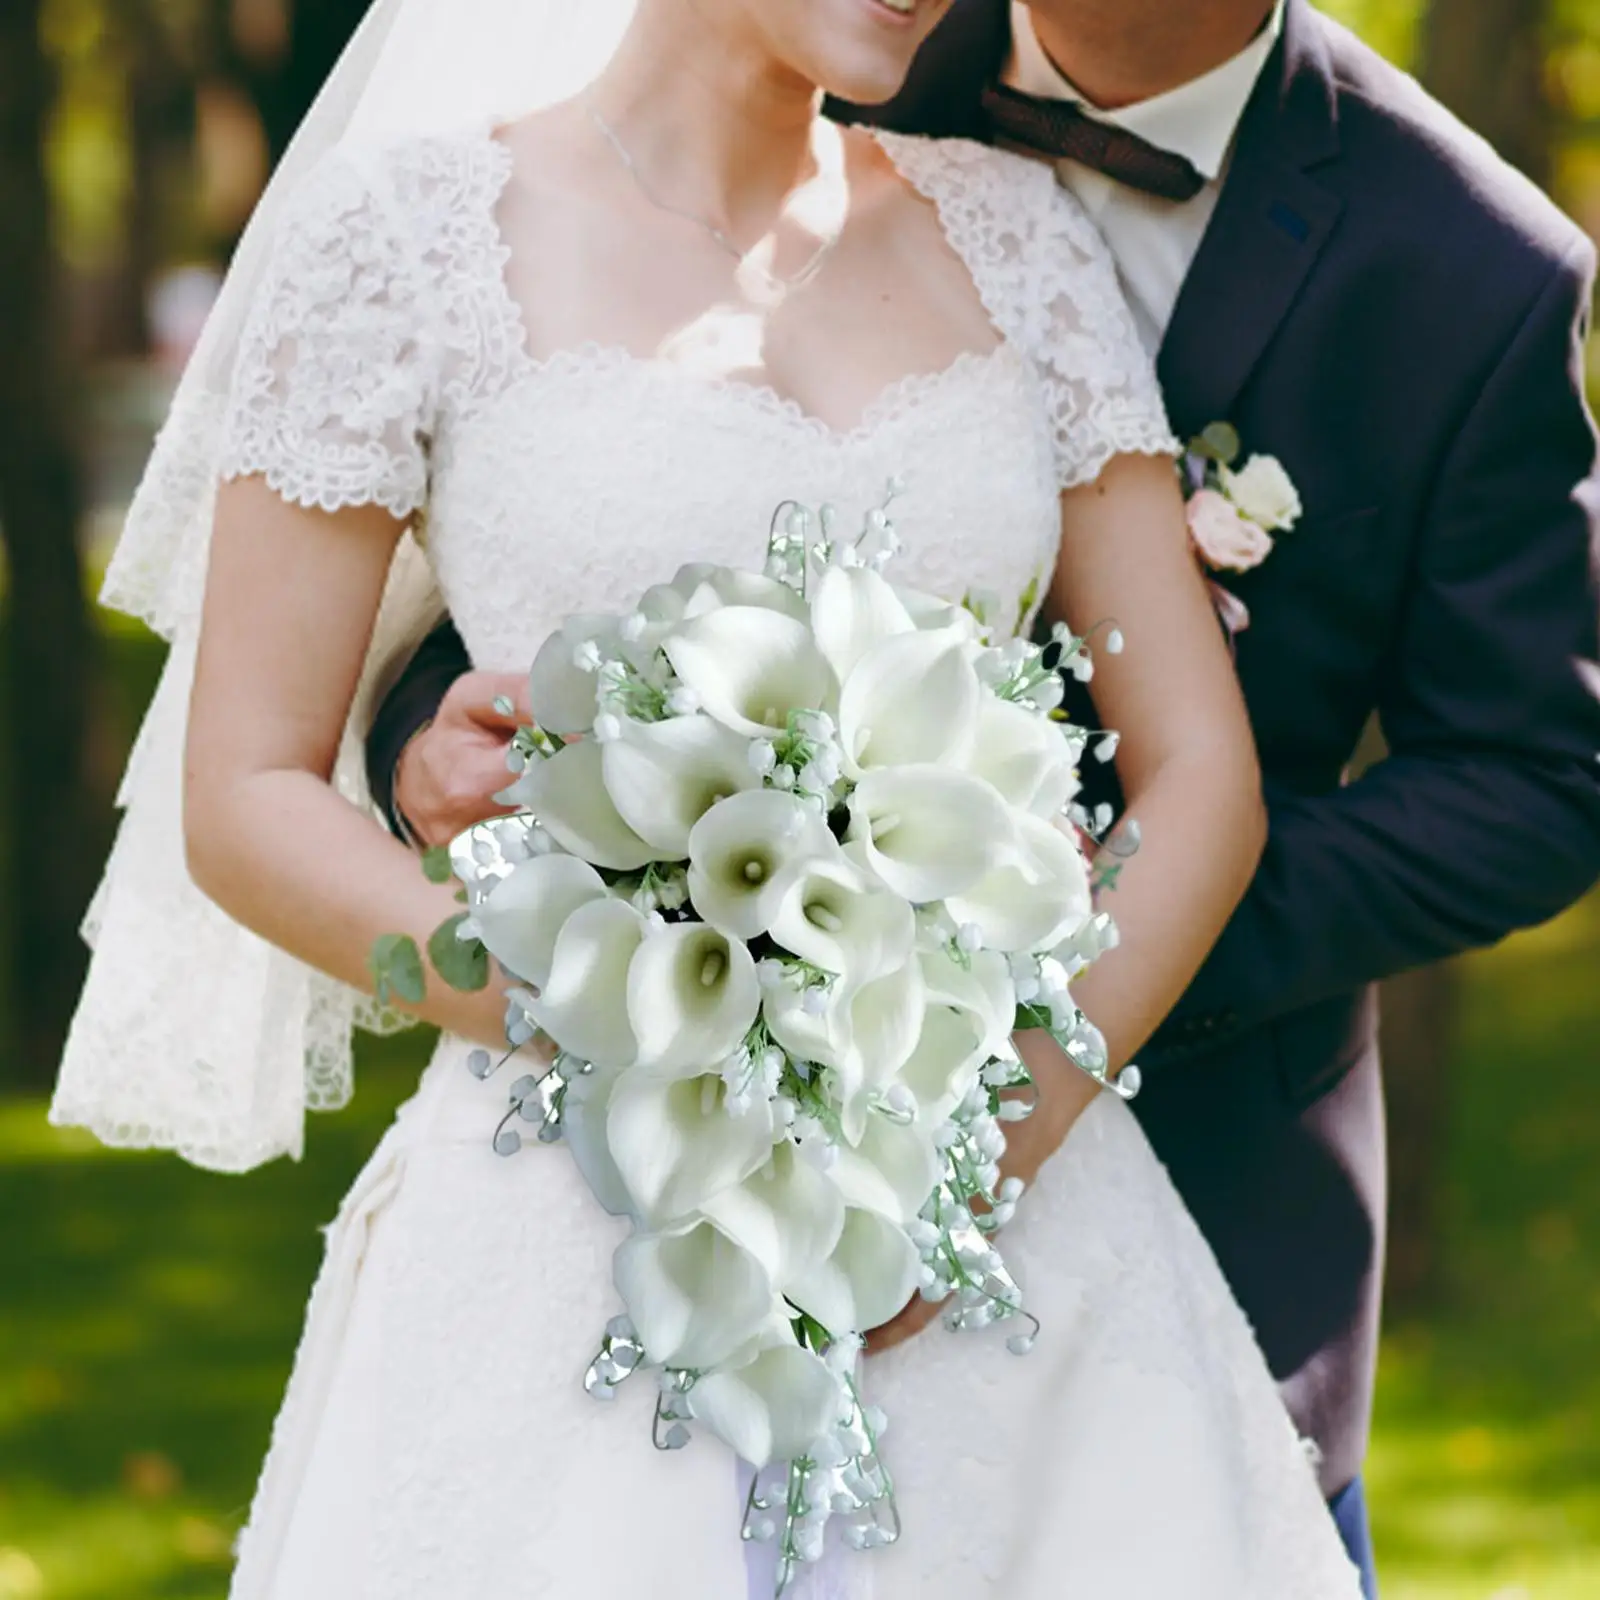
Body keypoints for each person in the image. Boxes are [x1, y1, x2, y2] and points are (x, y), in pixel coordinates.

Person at [371, 2, 1600, 1592]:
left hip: (1195, 1196)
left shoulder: (1469, 265)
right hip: (638, 1142)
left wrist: (1020, 947)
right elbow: (564, 495)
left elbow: (1535, 779)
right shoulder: (826, 50)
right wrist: (421, 738)